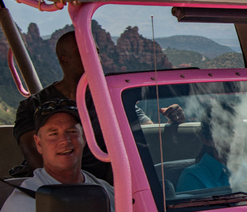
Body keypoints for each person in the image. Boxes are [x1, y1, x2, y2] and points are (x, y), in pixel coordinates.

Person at [12, 30, 185, 180]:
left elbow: (149, 132)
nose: (95, 59)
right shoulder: (32, 106)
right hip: (54, 190)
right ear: (65, 61)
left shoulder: (112, 99)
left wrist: (171, 121)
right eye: (85, 54)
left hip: (107, 189)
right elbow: (35, 157)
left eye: (96, 52)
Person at [0, 100, 116, 212]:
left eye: (72, 131)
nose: (65, 140)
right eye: (53, 134)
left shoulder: (104, 189)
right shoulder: (23, 206)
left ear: (85, 137)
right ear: (38, 144)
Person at [176, 103, 247, 192]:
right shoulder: (193, 178)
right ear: (207, 140)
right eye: (227, 130)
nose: (236, 135)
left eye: (240, 128)